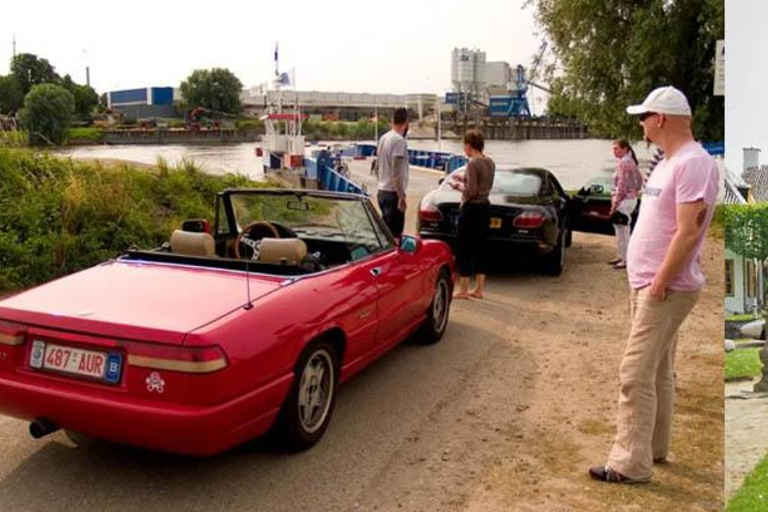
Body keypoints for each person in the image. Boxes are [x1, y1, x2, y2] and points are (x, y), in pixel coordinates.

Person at [588, 86, 719, 484]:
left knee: (633, 372)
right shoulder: (666, 162)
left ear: (660, 118)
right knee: (659, 368)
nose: (640, 125)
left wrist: (661, 280)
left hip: (666, 286)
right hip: (648, 283)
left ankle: (630, 462)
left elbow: (688, 231)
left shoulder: (695, 163)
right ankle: (655, 448)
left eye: (643, 117)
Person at [449, 129, 495, 300]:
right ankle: (479, 289)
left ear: (468, 146)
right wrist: (465, 179)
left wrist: (457, 186)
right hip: (485, 207)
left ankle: (463, 289)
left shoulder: (472, 163)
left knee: (464, 247)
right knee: (481, 247)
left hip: (471, 209)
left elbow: (471, 192)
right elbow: (483, 183)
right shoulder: (489, 162)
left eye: (464, 146)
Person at [608, 140, 643, 270]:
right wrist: (634, 191)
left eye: (617, 149)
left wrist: (615, 203)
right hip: (629, 199)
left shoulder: (624, 162)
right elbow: (639, 181)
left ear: (625, 148)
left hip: (624, 200)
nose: (614, 151)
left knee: (623, 231)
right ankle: (621, 256)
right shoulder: (630, 161)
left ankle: (627, 259)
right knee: (620, 229)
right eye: (613, 149)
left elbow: (621, 185)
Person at [376, 108, 410, 237]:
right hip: (393, 194)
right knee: (395, 236)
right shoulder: (399, 141)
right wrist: (401, 195)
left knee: (385, 235)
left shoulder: (384, 138)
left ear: (392, 121)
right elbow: (396, 170)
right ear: (406, 122)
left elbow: (378, 165)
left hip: (382, 191)